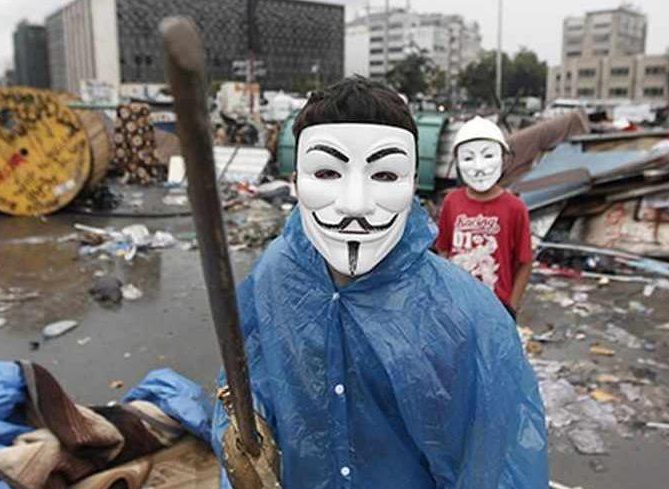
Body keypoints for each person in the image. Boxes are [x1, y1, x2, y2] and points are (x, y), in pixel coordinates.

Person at [212, 77, 547, 489]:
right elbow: (246, 384)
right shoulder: (275, 276)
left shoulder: (466, 315)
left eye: (385, 175)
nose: (355, 204)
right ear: (296, 181)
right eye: (328, 172)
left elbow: (495, 460)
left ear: (413, 184)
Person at [435, 117, 533, 320]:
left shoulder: (515, 208)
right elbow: (443, 251)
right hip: (457, 306)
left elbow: (524, 262)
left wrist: (511, 308)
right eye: (469, 158)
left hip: (495, 309)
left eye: (488, 155)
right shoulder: (451, 202)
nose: (479, 167)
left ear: (503, 158)